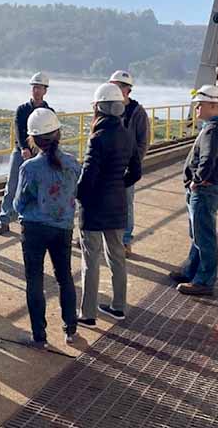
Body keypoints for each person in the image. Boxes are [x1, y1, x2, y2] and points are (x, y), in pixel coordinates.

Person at [15, 108, 82, 347]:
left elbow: (18, 203)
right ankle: (70, 327)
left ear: (32, 139)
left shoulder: (29, 168)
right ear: (58, 134)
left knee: (35, 280)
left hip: (34, 228)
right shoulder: (73, 164)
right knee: (64, 276)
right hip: (63, 227)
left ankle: (39, 335)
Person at [76, 84, 142, 323]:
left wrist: (80, 197)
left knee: (90, 259)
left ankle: (88, 313)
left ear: (100, 108)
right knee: (117, 257)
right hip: (117, 204)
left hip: (94, 207)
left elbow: (88, 176)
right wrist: (117, 184)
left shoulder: (98, 138)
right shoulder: (127, 134)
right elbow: (135, 172)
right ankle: (118, 306)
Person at [170, 85, 218, 297]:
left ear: (214, 105)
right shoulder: (212, 127)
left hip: (204, 191)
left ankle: (204, 281)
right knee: (198, 234)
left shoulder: (213, 130)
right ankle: (191, 271)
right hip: (205, 190)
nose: (196, 107)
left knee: (204, 237)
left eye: (200, 104)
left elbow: (207, 159)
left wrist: (197, 181)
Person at [0, 72, 52, 235]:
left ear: (45, 90)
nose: (36, 91)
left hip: (40, 152)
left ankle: (31, 221)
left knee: (39, 187)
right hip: (21, 152)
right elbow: (19, 130)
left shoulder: (48, 111)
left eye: (39, 88)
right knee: (12, 185)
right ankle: (3, 220)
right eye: (34, 87)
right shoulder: (22, 109)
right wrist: (23, 148)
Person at [110, 70, 149, 257]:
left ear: (128, 90)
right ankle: (106, 237)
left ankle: (125, 241)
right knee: (104, 200)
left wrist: (133, 165)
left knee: (126, 203)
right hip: (107, 165)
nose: (116, 90)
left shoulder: (137, 113)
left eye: (119, 87)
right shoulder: (107, 108)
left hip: (126, 167)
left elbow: (143, 142)